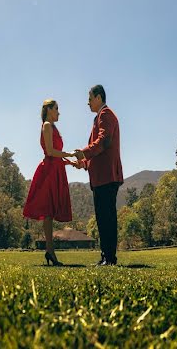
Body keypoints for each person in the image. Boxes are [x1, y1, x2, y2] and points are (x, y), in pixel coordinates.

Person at [22, 99, 79, 266]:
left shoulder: (54, 127)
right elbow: (50, 151)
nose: (59, 112)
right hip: (48, 172)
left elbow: (57, 155)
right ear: (48, 110)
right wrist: (69, 155)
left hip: (56, 170)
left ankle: (50, 251)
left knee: (51, 212)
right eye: (56, 109)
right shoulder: (46, 125)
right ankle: (50, 251)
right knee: (48, 211)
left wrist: (70, 162)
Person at [74, 84, 123, 266]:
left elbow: (104, 141)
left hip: (107, 175)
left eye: (89, 98)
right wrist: (83, 163)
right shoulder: (99, 118)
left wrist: (84, 152)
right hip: (101, 176)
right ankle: (106, 256)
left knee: (107, 218)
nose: (87, 102)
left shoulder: (106, 114)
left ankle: (109, 258)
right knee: (102, 218)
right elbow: (99, 148)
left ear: (99, 98)